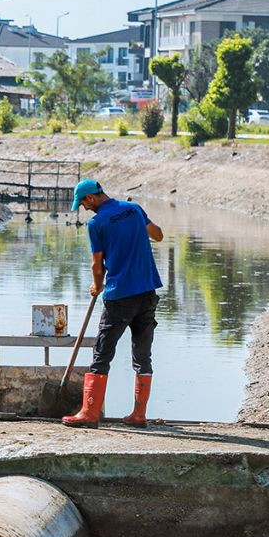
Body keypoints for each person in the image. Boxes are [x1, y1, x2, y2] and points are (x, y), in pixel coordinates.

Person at [63, 179, 164, 429]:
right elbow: (158, 235)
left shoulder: (97, 223)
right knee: (143, 355)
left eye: (84, 203)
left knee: (102, 352)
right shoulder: (134, 209)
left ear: (92, 198)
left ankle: (89, 413)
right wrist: (135, 224)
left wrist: (97, 286)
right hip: (148, 292)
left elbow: (97, 265)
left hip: (120, 295)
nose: (84, 209)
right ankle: (139, 415)